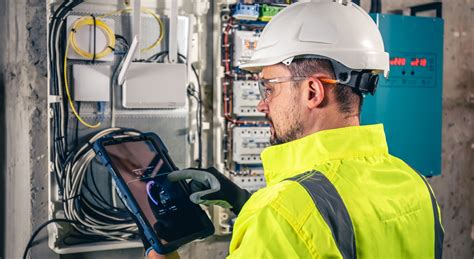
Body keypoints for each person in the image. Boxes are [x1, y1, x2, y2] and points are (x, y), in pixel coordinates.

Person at [147, 1, 444, 258]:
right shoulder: (415, 185)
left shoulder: (281, 214)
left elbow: (303, 225)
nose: (262, 106)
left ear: (312, 92)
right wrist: (242, 202)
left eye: (269, 88)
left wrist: (160, 251)